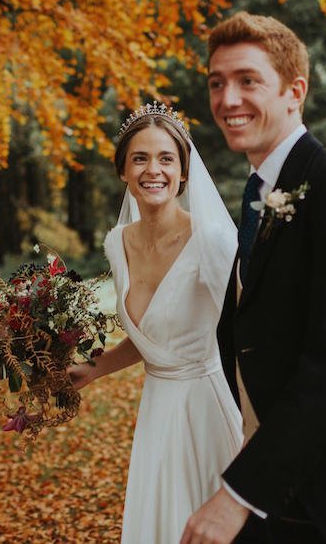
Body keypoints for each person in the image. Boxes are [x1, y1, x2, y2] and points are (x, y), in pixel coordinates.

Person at [181, 12, 326, 543]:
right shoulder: (260, 193)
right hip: (273, 490)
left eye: (247, 81)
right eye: (217, 83)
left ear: (294, 91)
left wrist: (238, 495)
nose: (227, 99)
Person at [68, 103, 244, 544]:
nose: (154, 170)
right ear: (123, 170)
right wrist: (96, 368)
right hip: (157, 410)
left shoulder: (212, 241)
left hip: (207, 411)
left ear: (184, 171)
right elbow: (156, 339)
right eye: (140, 158)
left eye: (166, 158)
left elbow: (250, 333)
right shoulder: (117, 242)